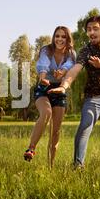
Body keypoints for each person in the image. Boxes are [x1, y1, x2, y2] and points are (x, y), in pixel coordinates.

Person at [49, 16, 100, 169]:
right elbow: (75, 70)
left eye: (95, 29)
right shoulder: (86, 50)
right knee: (84, 126)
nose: (91, 32)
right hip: (94, 96)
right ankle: (78, 165)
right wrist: (64, 86)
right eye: (89, 30)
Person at [23, 26, 76, 167]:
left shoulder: (71, 53)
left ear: (67, 38)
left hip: (59, 89)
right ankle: (31, 149)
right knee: (46, 112)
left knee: (56, 130)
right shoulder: (46, 50)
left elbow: (70, 64)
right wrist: (43, 77)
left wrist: (63, 71)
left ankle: (50, 165)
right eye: (57, 36)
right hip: (44, 86)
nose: (59, 39)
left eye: (63, 36)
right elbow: (43, 63)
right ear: (54, 37)